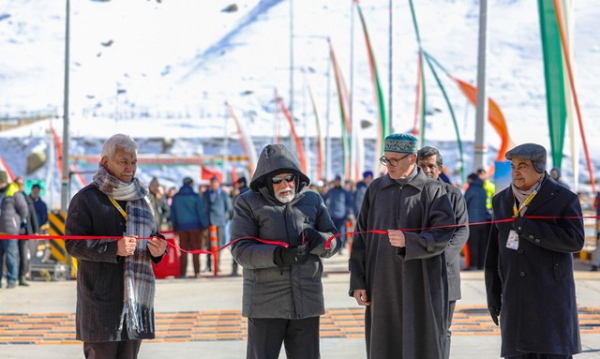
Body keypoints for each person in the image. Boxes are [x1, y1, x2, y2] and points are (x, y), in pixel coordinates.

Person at [349, 133, 456, 359]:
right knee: (385, 345)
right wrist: (358, 281)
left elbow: (444, 233)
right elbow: (360, 238)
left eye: (394, 160)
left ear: (412, 158)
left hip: (422, 284)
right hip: (382, 284)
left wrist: (410, 241)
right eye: (385, 159)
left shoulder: (433, 190)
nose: (389, 165)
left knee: (422, 344)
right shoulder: (376, 189)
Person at [230, 144, 341, 359]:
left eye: (289, 178)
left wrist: (320, 241)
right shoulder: (247, 203)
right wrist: (278, 256)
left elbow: (335, 241)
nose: (285, 184)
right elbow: (240, 250)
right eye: (277, 180)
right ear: (265, 181)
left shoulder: (313, 200)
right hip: (265, 303)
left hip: (306, 300)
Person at [65, 134, 168, 359]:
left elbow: (152, 234)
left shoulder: (143, 198)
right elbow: (73, 245)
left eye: (134, 162)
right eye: (123, 161)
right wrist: (114, 248)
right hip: (101, 304)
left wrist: (158, 248)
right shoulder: (86, 198)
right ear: (105, 162)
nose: (130, 167)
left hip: (135, 305)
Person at [485, 143, 584, 359]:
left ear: (539, 168)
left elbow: (575, 241)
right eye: (513, 166)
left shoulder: (564, 199)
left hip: (550, 302)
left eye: (522, 166)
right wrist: (493, 295)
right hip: (515, 300)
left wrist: (528, 228)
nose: (516, 171)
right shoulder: (501, 201)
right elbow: (494, 254)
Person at [417, 146, 469, 359]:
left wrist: (439, 259)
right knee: (415, 330)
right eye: (421, 166)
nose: (427, 170)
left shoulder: (453, 194)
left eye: (431, 166)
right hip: (414, 274)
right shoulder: (408, 195)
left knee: (441, 331)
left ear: (439, 169)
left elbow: (462, 231)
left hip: (444, 275)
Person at [169, 177, 209, 278]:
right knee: (195, 250)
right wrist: (205, 226)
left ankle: (183, 273)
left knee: (183, 251)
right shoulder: (195, 196)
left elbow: (173, 214)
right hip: (195, 227)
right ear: (191, 184)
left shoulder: (176, 197)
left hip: (181, 227)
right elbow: (201, 212)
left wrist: (175, 227)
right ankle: (197, 272)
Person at [0, 171, 28, 289]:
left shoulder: (14, 193)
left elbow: (24, 209)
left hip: (10, 231)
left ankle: (12, 280)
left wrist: (19, 223)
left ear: (4, 182)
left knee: (11, 257)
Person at [14, 176, 39, 286]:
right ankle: (12, 277)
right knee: (12, 255)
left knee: (23, 255)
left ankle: (21, 277)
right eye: (18, 184)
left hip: (24, 231)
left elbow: (32, 214)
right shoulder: (10, 196)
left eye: (22, 184)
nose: (20, 186)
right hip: (11, 231)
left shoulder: (26, 198)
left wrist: (35, 230)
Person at [203, 175, 231, 273]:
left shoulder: (223, 194)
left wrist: (224, 219)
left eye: (215, 183)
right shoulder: (206, 194)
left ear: (218, 184)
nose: (213, 185)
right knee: (209, 246)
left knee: (219, 245)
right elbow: (203, 208)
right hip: (209, 223)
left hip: (220, 223)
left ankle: (216, 264)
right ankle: (208, 265)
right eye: (212, 183)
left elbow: (228, 208)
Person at [463, 172, 490, 270]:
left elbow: (464, 203)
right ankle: (481, 265)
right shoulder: (483, 189)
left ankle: (473, 265)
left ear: (470, 179)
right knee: (482, 244)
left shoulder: (471, 189)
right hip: (483, 221)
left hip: (472, 221)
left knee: (473, 244)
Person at [323, 174, 353, 253]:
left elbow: (349, 203)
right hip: (332, 215)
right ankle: (332, 247)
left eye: (338, 181)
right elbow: (323, 199)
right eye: (336, 181)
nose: (337, 182)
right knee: (332, 232)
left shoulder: (344, 192)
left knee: (341, 232)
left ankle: (340, 247)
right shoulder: (330, 191)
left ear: (340, 181)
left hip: (342, 215)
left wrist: (350, 213)